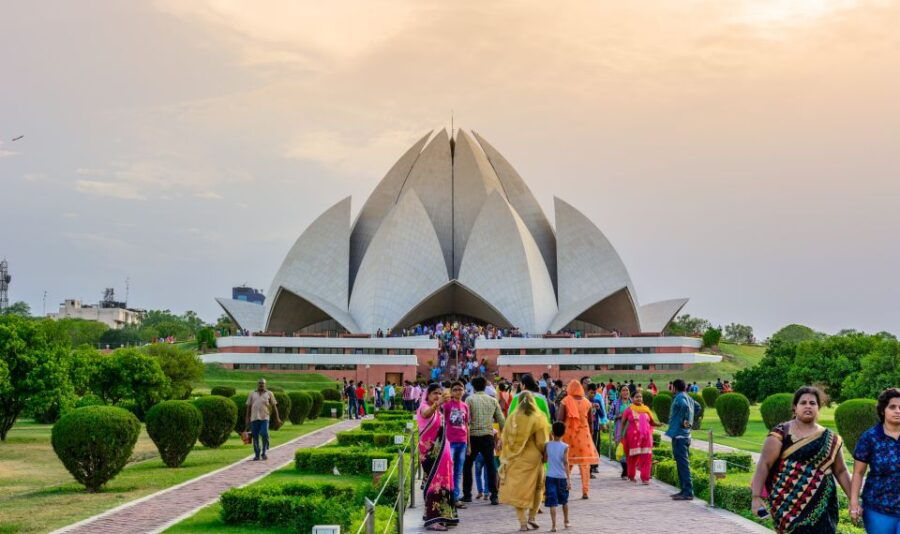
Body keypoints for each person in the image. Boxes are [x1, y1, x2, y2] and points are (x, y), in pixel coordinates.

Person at [750, 386, 852, 533]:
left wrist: (853, 499)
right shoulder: (782, 432)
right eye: (803, 403)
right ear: (795, 407)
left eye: (812, 403)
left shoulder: (830, 438)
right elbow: (764, 464)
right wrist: (756, 497)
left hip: (822, 506)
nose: (808, 406)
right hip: (787, 504)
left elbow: (841, 471)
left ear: (818, 407)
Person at [849, 387, 900, 533]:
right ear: (883, 410)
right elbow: (858, 473)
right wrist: (854, 502)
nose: (898, 411)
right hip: (878, 508)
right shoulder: (870, 437)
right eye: (892, 407)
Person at [499, 391, 549, 531]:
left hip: (515, 458)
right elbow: (541, 441)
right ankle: (532, 517)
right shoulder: (538, 417)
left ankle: (522, 523)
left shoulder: (512, 418)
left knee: (518, 490)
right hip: (534, 458)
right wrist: (544, 454)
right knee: (538, 487)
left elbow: (506, 439)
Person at [417, 383, 459, 531]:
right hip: (430, 453)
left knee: (442, 484)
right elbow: (425, 414)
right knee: (433, 484)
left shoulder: (439, 411)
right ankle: (432, 520)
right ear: (427, 395)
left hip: (442, 453)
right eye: (434, 393)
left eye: (440, 393)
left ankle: (443, 516)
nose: (437, 396)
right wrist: (437, 404)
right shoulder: (424, 407)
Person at [463, 376, 505, 505]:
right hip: (488, 436)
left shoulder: (469, 399)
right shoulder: (493, 400)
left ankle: (467, 494)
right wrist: (502, 437)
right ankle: (494, 495)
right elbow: (502, 420)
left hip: (473, 436)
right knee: (491, 465)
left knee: (467, 465)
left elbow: (465, 419)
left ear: (473, 387)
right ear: (485, 386)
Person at [557, 380, 599, 499]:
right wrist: (590, 435)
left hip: (569, 436)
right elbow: (590, 421)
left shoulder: (565, 401)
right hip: (584, 435)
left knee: (567, 463)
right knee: (585, 465)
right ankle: (585, 491)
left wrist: (557, 436)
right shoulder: (587, 402)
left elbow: (560, 420)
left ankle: (564, 489)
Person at [666, 379, 701, 500]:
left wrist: (684, 421)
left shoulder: (679, 397)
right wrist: (689, 421)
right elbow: (698, 407)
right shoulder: (688, 396)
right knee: (681, 464)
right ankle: (684, 490)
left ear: (674, 388)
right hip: (685, 435)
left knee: (683, 465)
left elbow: (685, 406)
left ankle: (688, 492)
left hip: (679, 435)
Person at [621, 390, 660, 484]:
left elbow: (652, 422)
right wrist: (621, 436)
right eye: (637, 397)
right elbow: (623, 423)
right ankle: (631, 475)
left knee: (647, 457)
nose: (639, 398)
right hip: (633, 438)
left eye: (640, 397)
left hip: (646, 437)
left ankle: (645, 478)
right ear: (632, 398)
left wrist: (659, 424)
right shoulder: (629, 410)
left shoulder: (646, 409)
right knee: (632, 457)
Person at [443, 381, 470, 506]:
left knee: (458, 471)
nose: (458, 392)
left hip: (462, 442)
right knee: (449, 470)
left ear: (464, 391)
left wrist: (469, 444)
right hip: (450, 442)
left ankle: (455, 498)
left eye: (460, 389)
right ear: (451, 391)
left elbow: (467, 425)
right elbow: (443, 422)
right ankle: (447, 496)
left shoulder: (465, 406)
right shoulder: (447, 405)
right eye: (455, 390)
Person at [245, 378, 280, 461]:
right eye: (260, 383)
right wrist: (247, 418)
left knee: (264, 434)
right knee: (255, 437)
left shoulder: (269, 393)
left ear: (265, 384)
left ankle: (264, 453)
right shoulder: (252, 393)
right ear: (257, 384)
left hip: (265, 418)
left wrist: (277, 418)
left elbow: (274, 406)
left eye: (262, 383)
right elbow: (248, 407)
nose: (261, 385)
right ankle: (257, 455)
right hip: (254, 418)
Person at [609, 385, 632, 478]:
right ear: (620, 392)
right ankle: (625, 470)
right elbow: (609, 415)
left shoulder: (632, 402)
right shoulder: (615, 403)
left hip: (631, 429)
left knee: (630, 450)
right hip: (619, 430)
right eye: (623, 390)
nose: (625, 392)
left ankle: (628, 470)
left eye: (627, 390)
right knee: (621, 450)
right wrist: (617, 416)